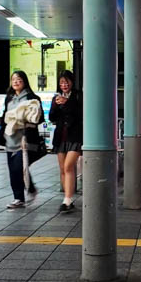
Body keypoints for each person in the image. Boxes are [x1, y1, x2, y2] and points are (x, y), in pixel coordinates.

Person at [0, 71, 43, 209]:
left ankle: (28, 190)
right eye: (13, 79)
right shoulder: (9, 98)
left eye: (19, 79)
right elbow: (5, 116)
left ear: (24, 81)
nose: (16, 82)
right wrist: (0, 135)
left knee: (18, 167)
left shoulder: (32, 97)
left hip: (24, 140)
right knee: (13, 170)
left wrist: (23, 120)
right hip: (10, 139)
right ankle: (19, 198)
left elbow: (39, 119)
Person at [49, 70, 82, 213]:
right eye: (61, 82)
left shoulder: (78, 95)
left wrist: (67, 103)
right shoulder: (56, 97)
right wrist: (56, 106)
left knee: (69, 166)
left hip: (75, 135)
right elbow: (52, 117)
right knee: (63, 169)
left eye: (66, 81)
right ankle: (67, 198)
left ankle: (67, 200)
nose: (64, 85)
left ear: (72, 82)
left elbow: (80, 113)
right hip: (61, 136)